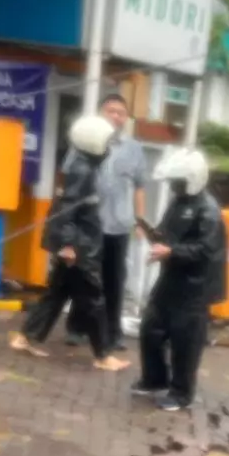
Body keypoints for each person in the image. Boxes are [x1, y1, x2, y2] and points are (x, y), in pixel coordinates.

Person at [11, 114, 128, 370]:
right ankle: (103, 355)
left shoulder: (83, 165)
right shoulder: (82, 170)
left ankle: (25, 336)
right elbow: (65, 210)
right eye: (105, 141)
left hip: (77, 243)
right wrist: (67, 245)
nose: (108, 147)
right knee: (94, 298)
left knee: (56, 293)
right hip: (79, 246)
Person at [135, 148, 226, 412]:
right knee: (150, 329)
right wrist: (154, 235)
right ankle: (154, 379)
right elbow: (167, 232)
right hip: (171, 278)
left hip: (195, 286)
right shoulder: (179, 201)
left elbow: (207, 250)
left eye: (178, 181)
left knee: (186, 341)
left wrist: (172, 251)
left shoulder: (209, 211)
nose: (174, 186)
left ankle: (181, 392)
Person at [90, 92, 147, 351]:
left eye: (120, 113)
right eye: (110, 110)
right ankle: (79, 329)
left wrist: (139, 221)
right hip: (90, 223)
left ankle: (113, 334)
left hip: (120, 226)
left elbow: (139, 187)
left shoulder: (135, 149)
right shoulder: (87, 141)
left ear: (126, 118)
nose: (115, 116)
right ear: (101, 112)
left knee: (115, 282)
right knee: (86, 279)